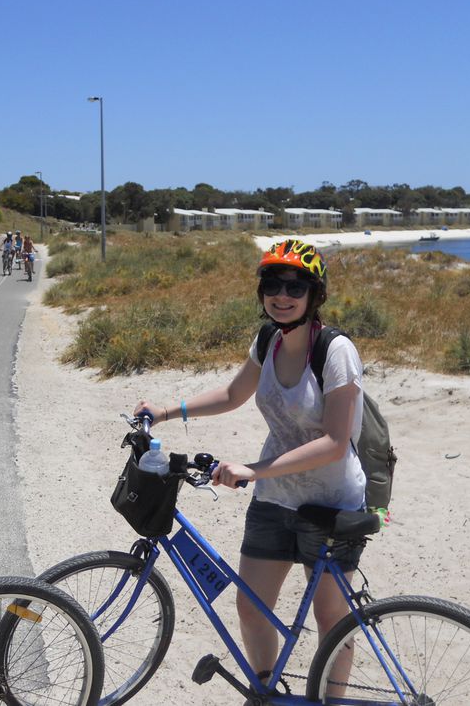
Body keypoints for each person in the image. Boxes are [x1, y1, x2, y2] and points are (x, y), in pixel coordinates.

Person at [133, 239, 364, 687]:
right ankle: (266, 692)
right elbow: (232, 394)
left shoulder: (336, 352)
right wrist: (165, 411)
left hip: (332, 503)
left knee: (331, 619)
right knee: (252, 605)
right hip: (276, 499)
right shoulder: (268, 340)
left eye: (295, 288)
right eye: (272, 284)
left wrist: (254, 469)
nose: (282, 295)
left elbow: (337, 442)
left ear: (315, 296)